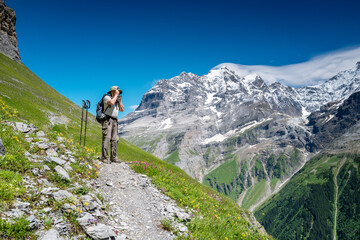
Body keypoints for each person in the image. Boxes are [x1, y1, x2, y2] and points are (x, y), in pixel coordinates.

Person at [101, 86, 124, 163]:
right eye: (117, 91)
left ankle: (113, 157)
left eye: (119, 92)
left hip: (115, 120)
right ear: (112, 92)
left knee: (115, 139)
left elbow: (122, 109)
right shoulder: (107, 97)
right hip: (107, 119)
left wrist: (120, 100)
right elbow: (111, 102)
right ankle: (104, 157)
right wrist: (116, 96)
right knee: (107, 137)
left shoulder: (116, 100)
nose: (118, 92)